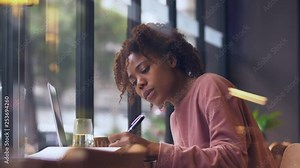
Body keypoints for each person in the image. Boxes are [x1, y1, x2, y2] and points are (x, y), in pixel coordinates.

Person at [108, 23, 276, 168]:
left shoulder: (210, 86)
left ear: (171, 60)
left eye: (144, 70)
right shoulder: (175, 117)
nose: (139, 84)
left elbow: (232, 160)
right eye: (133, 82)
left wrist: (153, 149)